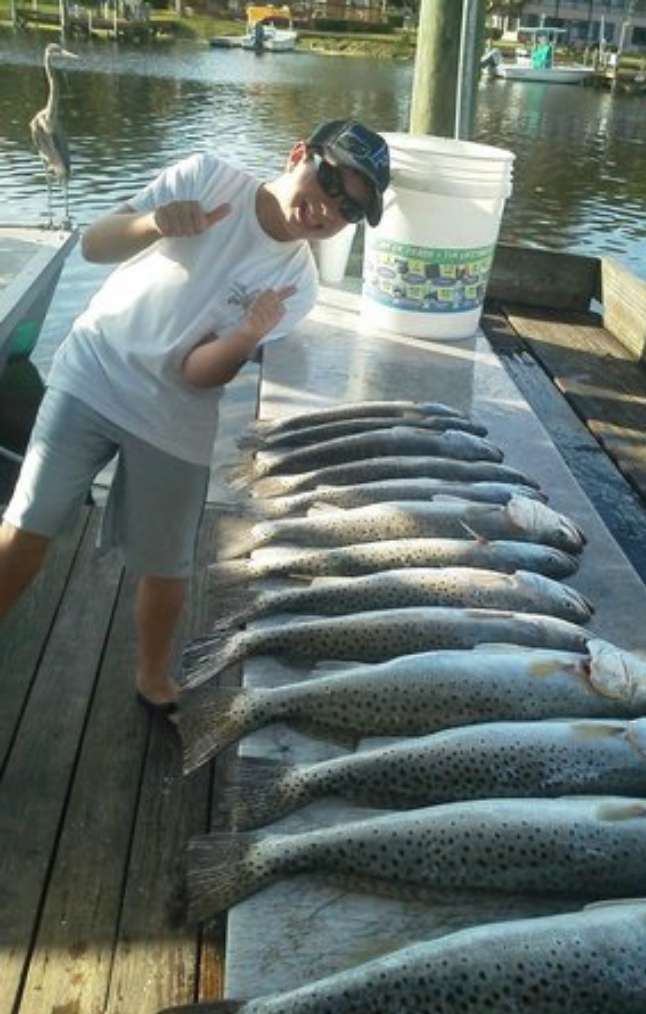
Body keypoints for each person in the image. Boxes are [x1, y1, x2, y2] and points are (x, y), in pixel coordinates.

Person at [0, 119, 390, 713]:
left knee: (169, 563)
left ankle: (153, 676)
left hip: (176, 411)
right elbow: (94, 245)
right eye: (331, 182)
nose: (329, 209)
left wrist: (246, 336)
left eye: (350, 209)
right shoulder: (207, 176)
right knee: (30, 519)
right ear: (298, 155)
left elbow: (196, 373)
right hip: (94, 366)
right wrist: (154, 223)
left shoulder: (298, 287)